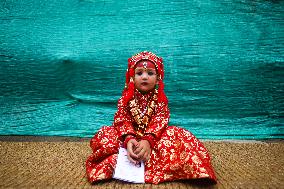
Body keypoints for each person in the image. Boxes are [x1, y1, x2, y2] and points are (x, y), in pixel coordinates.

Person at [86, 51, 217, 184]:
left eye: (150, 73)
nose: (144, 77)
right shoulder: (125, 98)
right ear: (131, 77)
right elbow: (121, 118)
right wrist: (129, 138)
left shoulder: (160, 99)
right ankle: (133, 160)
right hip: (128, 140)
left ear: (158, 77)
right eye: (139, 73)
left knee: (179, 135)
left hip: (154, 139)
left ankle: (193, 171)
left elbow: (161, 119)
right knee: (104, 134)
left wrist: (148, 140)